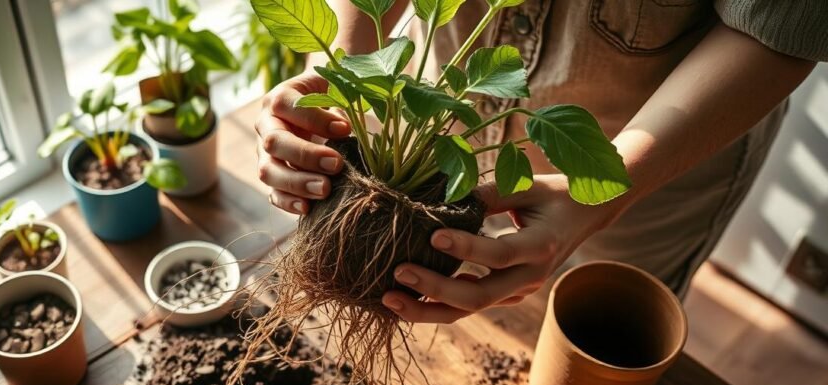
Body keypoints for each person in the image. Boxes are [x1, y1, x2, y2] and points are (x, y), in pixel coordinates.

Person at [254, 0, 825, 324]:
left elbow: (783, 27)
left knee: (595, 326)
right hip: (452, 105)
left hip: (655, 145)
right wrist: (336, 77)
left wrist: (603, 192)